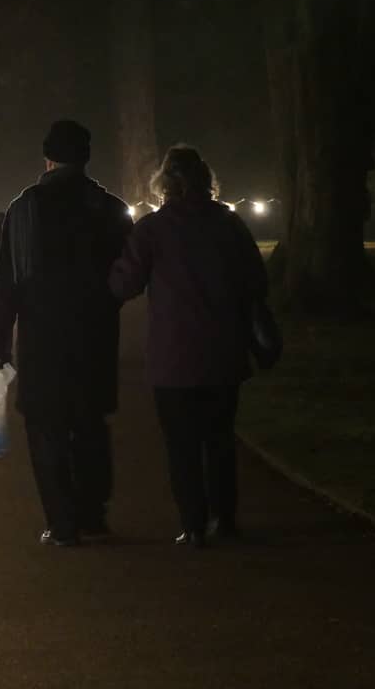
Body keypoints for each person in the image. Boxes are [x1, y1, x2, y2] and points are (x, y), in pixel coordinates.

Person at [108, 145, 276, 548]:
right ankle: (226, 518)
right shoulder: (229, 225)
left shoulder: (152, 229)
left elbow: (123, 284)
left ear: (164, 184)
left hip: (174, 355)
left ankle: (193, 523)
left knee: (181, 445)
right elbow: (256, 281)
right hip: (223, 351)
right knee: (220, 439)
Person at [0, 120, 133, 547]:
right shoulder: (108, 208)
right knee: (90, 421)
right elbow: (125, 273)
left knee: (47, 425)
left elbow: (7, 282)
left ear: (47, 158)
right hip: (94, 333)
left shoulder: (24, 208)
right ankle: (93, 512)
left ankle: (62, 520)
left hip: (42, 335)